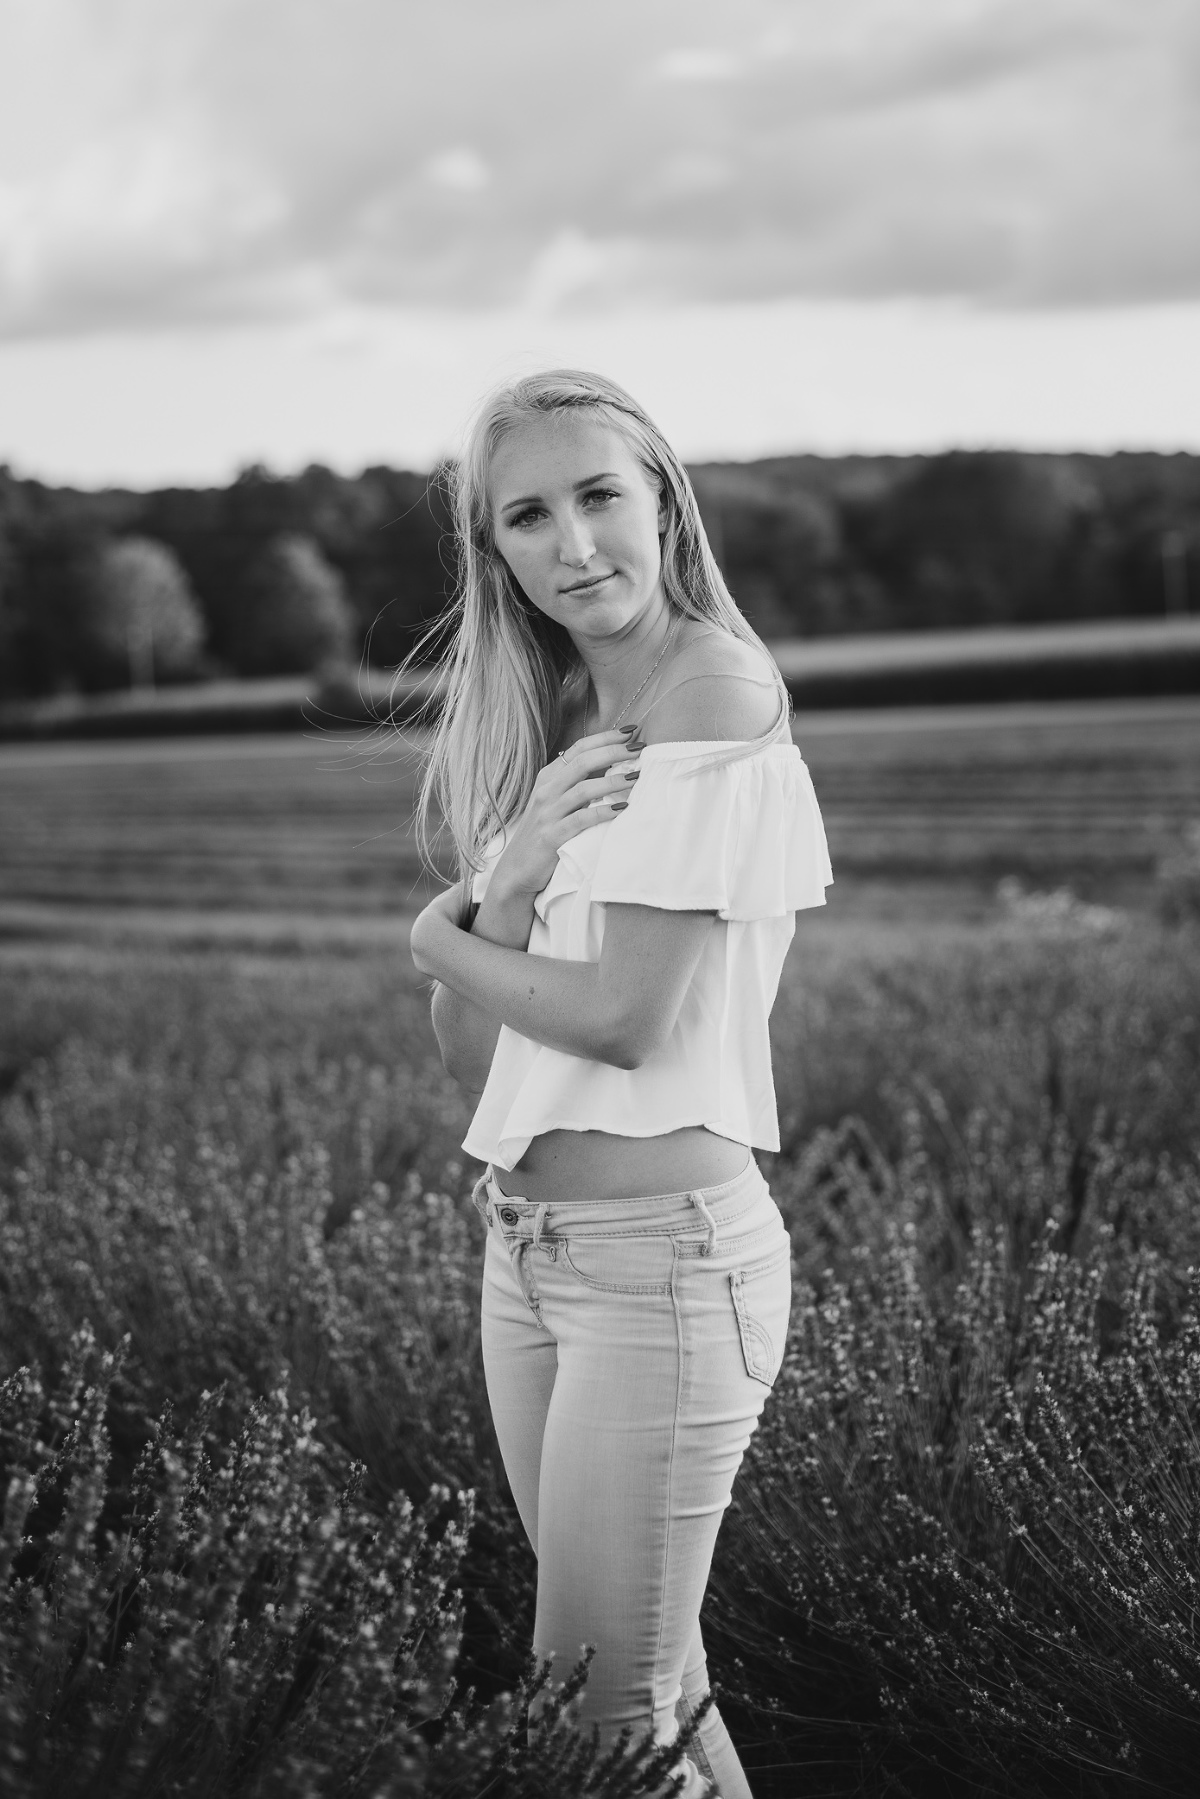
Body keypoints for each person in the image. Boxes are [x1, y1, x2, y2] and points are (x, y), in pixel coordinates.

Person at [408, 369, 832, 1799]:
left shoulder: (709, 689)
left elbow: (626, 1023)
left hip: (664, 1266)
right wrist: (512, 880)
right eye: (529, 515)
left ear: (661, 494)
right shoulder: (555, 722)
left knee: (597, 1716)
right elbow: (474, 1062)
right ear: (496, 554)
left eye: (599, 494)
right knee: (650, 1696)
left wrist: (439, 932)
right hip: (524, 1255)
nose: (573, 542)